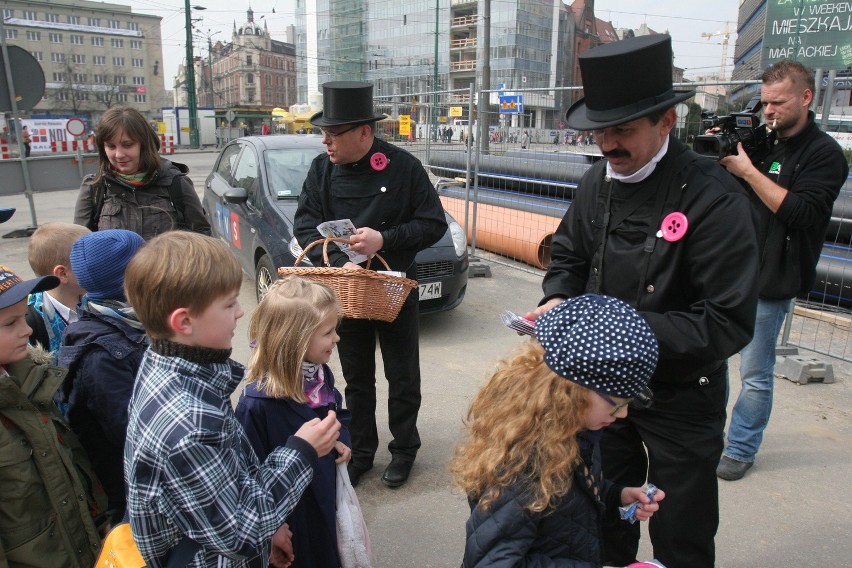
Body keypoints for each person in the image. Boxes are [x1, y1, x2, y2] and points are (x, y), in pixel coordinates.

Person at [524, 35, 759, 568]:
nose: (608, 144)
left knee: (682, 528)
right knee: (606, 511)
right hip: (600, 395)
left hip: (682, 392)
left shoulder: (715, 200)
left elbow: (726, 321)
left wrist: (617, 334)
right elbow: (568, 258)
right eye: (600, 130)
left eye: (623, 130)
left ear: (667, 123)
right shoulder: (594, 184)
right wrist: (560, 298)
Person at [123, 231, 341, 567]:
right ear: (184, 321)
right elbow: (240, 531)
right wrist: (301, 452)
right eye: (228, 304)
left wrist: (268, 532)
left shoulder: (167, 367)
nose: (241, 312)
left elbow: (226, 489)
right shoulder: (190, 424)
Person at [293, 80, 448, 489]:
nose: (325, 141)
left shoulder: (404, 167)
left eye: (333, 133)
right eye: (323, 133)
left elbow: (432, 223)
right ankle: (362, 450)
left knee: (403, 373)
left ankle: (404, 449)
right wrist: (344, 264)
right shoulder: (321, 170)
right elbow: (305, 224)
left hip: (395, 288)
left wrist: (385, 240)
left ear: (365, 132)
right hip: (347, 289)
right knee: (356, 376)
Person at [453, 294, 666, 567]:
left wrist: (617, 495)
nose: (623, 414)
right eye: (616, 403)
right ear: (572, 390)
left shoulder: (572, 430)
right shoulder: (521, 467)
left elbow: (572, 492)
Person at [715, 60, 849, 482]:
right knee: (710, 361)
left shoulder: (824, 154)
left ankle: (740, 448)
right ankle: (706, 435)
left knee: (755, 374)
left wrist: (748, 172)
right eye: (765, 102)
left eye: (778, 102)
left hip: (772, 280)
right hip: (729, 272)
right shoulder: (761, 142)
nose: (768, 110)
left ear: (805, 98)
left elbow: (802, 213)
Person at [0, 230, 109, 565]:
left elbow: (71, 466)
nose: (28, 330)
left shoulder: (31, 382)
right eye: (9, 323)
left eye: (23, 317)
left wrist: (101, 518)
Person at [236, 276, 354, 568]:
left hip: (324, 497)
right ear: (296, 342)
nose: (336, 338)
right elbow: (247, 476)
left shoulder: (319, 376)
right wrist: (272, 528)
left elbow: (336, 415)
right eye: (328, 332)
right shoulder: (257, 405)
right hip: (291, 517)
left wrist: (342, 440)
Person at [58, 229, 147, 523]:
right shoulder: (101, 355)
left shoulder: (136, 323)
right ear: (131, 281)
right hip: (131, 496)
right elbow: (133, 436)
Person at [73, 106, 211, 240]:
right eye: (111, 146)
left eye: (127, 145)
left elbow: (202, 239)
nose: (119, 154)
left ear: (144, 144)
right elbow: (79, 247)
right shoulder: (94, 187)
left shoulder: (175, 183)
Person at [26, 222, 91, 356]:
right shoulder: (31, 322)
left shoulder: (96, 302)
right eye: (88, 261)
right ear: (63, 274)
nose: (97, 265)